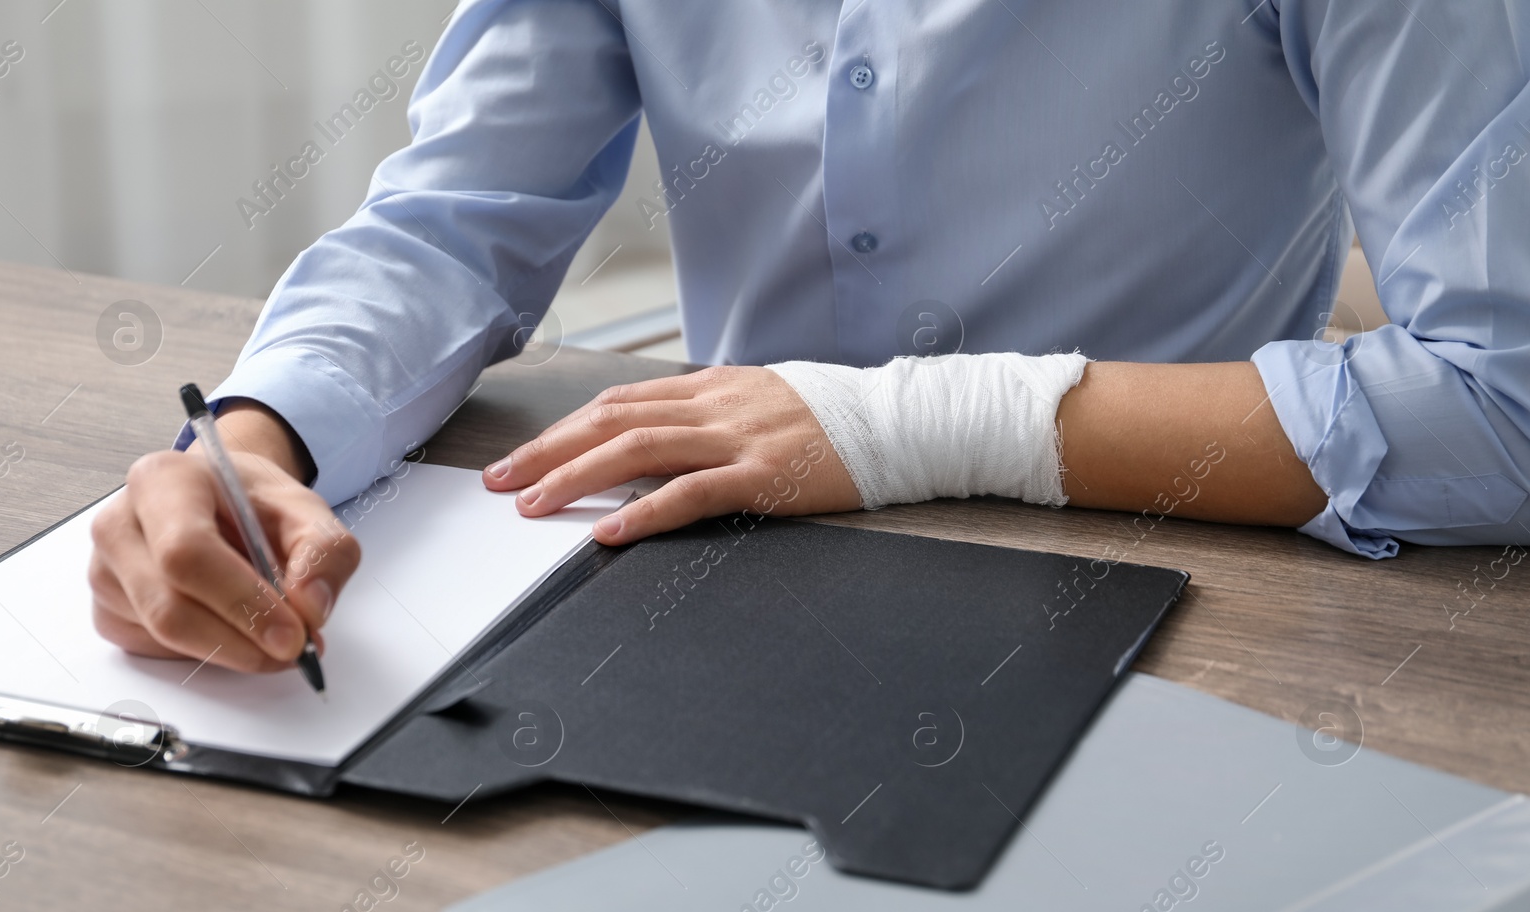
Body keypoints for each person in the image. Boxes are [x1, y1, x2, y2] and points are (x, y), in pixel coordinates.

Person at [89, 0, 1530, 673]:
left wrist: (895, 424)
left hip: (1179, 600)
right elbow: (456, 224)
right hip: (691, 575)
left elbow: (1506, 401)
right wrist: (251, 441)